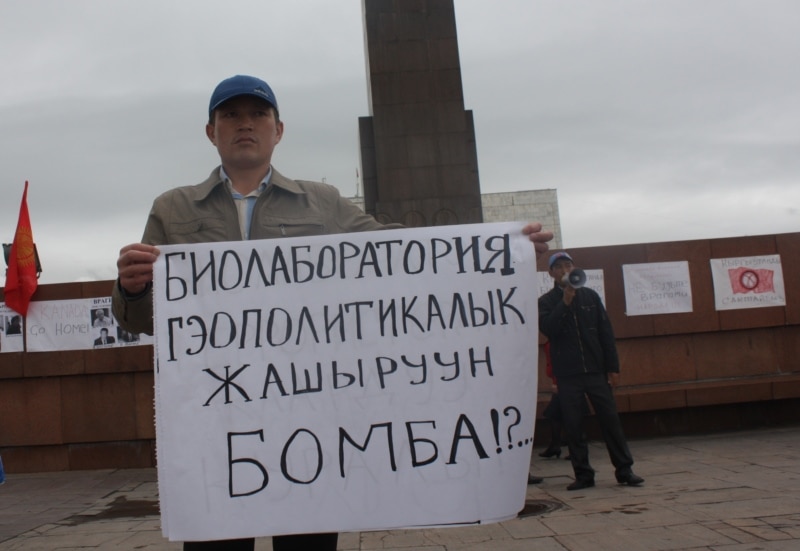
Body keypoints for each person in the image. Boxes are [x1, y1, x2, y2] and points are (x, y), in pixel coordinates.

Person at [112, 75, 553, 550]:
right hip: (215, 420)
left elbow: (397, 251)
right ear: (210, 131)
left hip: (308, 420)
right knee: (217, 543)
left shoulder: (321, 203)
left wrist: (498, 251)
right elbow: (141, 321)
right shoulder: (173, 209)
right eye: (231, 115)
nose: (245, 124)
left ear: (279, 130)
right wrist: (131, 289)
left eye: (258, 114)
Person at [538, 251, 643, 491]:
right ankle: (583, 474)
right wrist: (565, 302)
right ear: (551, 273)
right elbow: (550, 329)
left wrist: (612, 368)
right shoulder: (546, 302)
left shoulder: (590, 296)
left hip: (595, 371)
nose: (565, 270)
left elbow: (605, 332)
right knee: (574, 426)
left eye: (568, 265)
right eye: (559, 267)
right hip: (568, 375)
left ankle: (625, 470)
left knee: (610, 421)